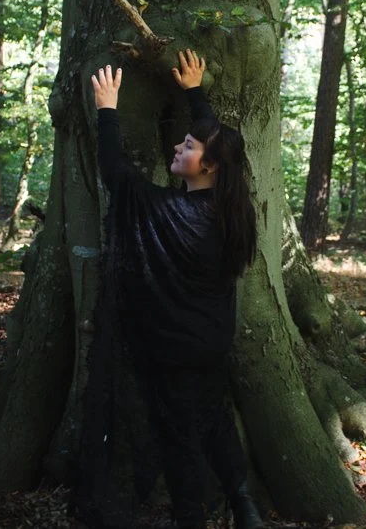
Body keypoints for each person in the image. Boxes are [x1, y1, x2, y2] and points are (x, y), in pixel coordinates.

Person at [91, 50, 264, 529]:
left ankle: (193, 517)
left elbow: (117, 175)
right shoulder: (233, 215)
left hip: (171, 352)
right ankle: (242, 501)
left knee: (180, 440)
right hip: (211, 344)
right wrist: (195, 94)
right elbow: (222, 148)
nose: (176, 148)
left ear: (207, 166)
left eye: (186, 146)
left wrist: (107, 109)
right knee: (215, 419)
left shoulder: (167, 211)